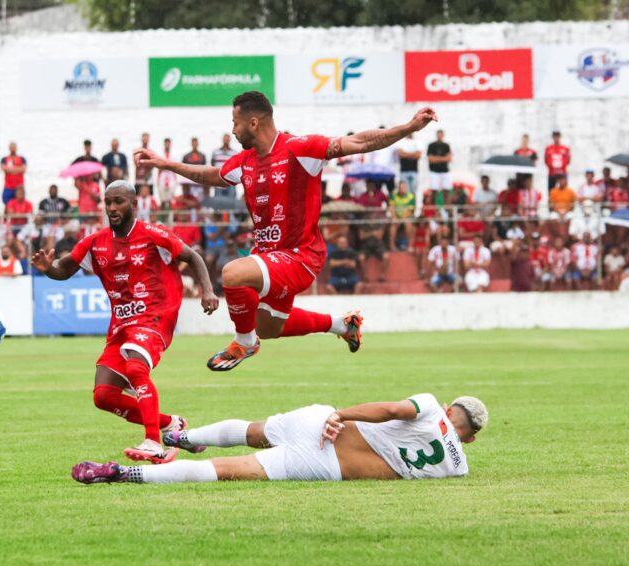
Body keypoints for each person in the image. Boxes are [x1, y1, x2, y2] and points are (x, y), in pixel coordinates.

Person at [136, 91, 437, 370]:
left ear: (253, 122)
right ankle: (343, 325)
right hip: (268, 258)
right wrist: (166, 164)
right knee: (268, 327)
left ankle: (244, 343)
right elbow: (214, 175)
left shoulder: (299, 149)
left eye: (235, 123)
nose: (233, 130)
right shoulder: (245, 161)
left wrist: (408, 127)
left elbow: (359, 142)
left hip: (300, 256)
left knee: (233, 274)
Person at [32, 181, 219, 463]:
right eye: (108, 202)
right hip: (121, 324)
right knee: (104, 396)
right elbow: (64, 269)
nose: (112, 208)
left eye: (118, 201)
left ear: (133, 204)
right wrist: (49, 269)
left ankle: (153, 442)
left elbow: (192, 256)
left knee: (135, 366)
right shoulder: (95, 243)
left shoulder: (153, 234)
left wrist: (207, 290)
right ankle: (171, 424)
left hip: (155, 316)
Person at [71, 393, 488, 485]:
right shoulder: (458, 468)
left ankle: (184, 435)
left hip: (323, 422)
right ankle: (123, 474)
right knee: (225, 471)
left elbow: (394, 410)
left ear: (449, 408)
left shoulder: (430, 406)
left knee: (253, 430)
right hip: (326, 466)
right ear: (469, 440)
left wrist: (340, 414)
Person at [210, 133, 239, 199]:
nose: (226, 140)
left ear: (230, 140)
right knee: (218, 199)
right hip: (218, 180)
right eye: (225, 139)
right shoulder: (215, 152)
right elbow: (212, 165)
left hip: (231, 181)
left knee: (231, 200)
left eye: (227, 139)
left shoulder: (234, 153)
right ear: (222, 139)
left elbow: (236, 167)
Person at [156, 137, 178, 205]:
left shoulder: (174, 155)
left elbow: (175, 167)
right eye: (166, 143)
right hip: (163, 178)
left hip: (171, 178)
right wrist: (158, 180)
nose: (167, 145)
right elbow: (159, 167)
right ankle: (162, 212)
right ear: (164, 144)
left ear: (170, 144)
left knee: (171, 199)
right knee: (162, 199)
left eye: (168, 143)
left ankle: (171, 212)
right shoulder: (160, 155)